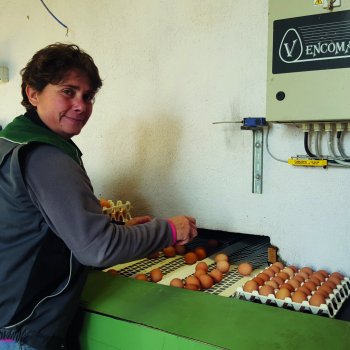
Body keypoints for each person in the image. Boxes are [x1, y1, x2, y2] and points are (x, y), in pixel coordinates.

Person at [0, 43, 197, 350]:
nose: (81, 105)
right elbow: (98, 250)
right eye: (68, 91)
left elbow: (34, 225)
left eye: (88, 96)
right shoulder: (45, 158)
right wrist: (170, 230)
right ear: (33, 93)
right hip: (22, 329)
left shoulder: (10, 142)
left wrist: (119, 231)